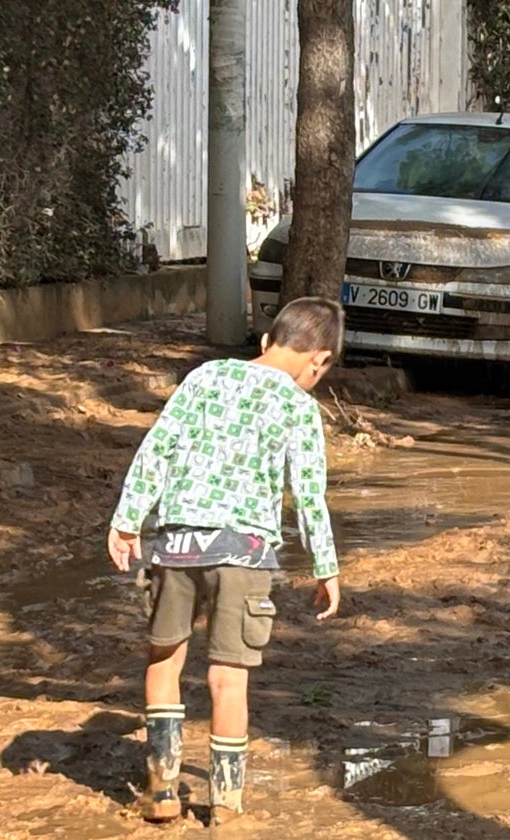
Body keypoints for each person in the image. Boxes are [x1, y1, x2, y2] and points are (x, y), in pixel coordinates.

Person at [106, 297, 344, 824]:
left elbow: (157, 448)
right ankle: (228, 804)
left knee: (164, 657)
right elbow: (308, 494)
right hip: (244, 551)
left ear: (266, 342)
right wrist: (326, 565)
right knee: (228, 677)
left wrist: (127, 520)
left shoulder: (205, 376)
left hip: (175, 545)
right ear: (319, 361)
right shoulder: (300, 407)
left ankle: (162, 790)